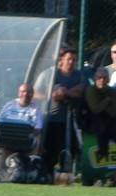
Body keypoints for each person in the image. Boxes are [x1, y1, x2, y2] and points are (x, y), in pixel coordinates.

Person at [43, 47, 84, 176]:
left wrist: (65, 92)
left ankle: (65, 171)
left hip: (69, 119)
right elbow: (53, 95)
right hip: (51, 118)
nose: (71, 62)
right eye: (69, 59)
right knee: (49, 149)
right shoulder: (52, 74)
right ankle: (47, 173)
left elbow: (80, 91)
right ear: (62, 60)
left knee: (69, 147)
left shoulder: (77, 75)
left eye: (74, 60)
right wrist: (67, 93)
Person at [82, 67, 116, 161]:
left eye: (104, 78)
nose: (102, 80)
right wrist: (107, 100)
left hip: (110, 124)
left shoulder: (115, 92)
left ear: (108, 79)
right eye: (99, 77)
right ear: (95, 78)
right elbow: (95, 109)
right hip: (91, 123)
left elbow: (112, 112)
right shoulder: (90, 90)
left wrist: (101, 104)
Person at [0, 82, 43, 155]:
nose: (25, 94)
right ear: (19, 93)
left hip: (26, 143)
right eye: (23, 91)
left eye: (29, 92)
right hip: (9, 141)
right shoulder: (9, 105)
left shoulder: (35, 109)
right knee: (7, 149)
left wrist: (23, 134)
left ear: (32, 94)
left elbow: (38, 129)